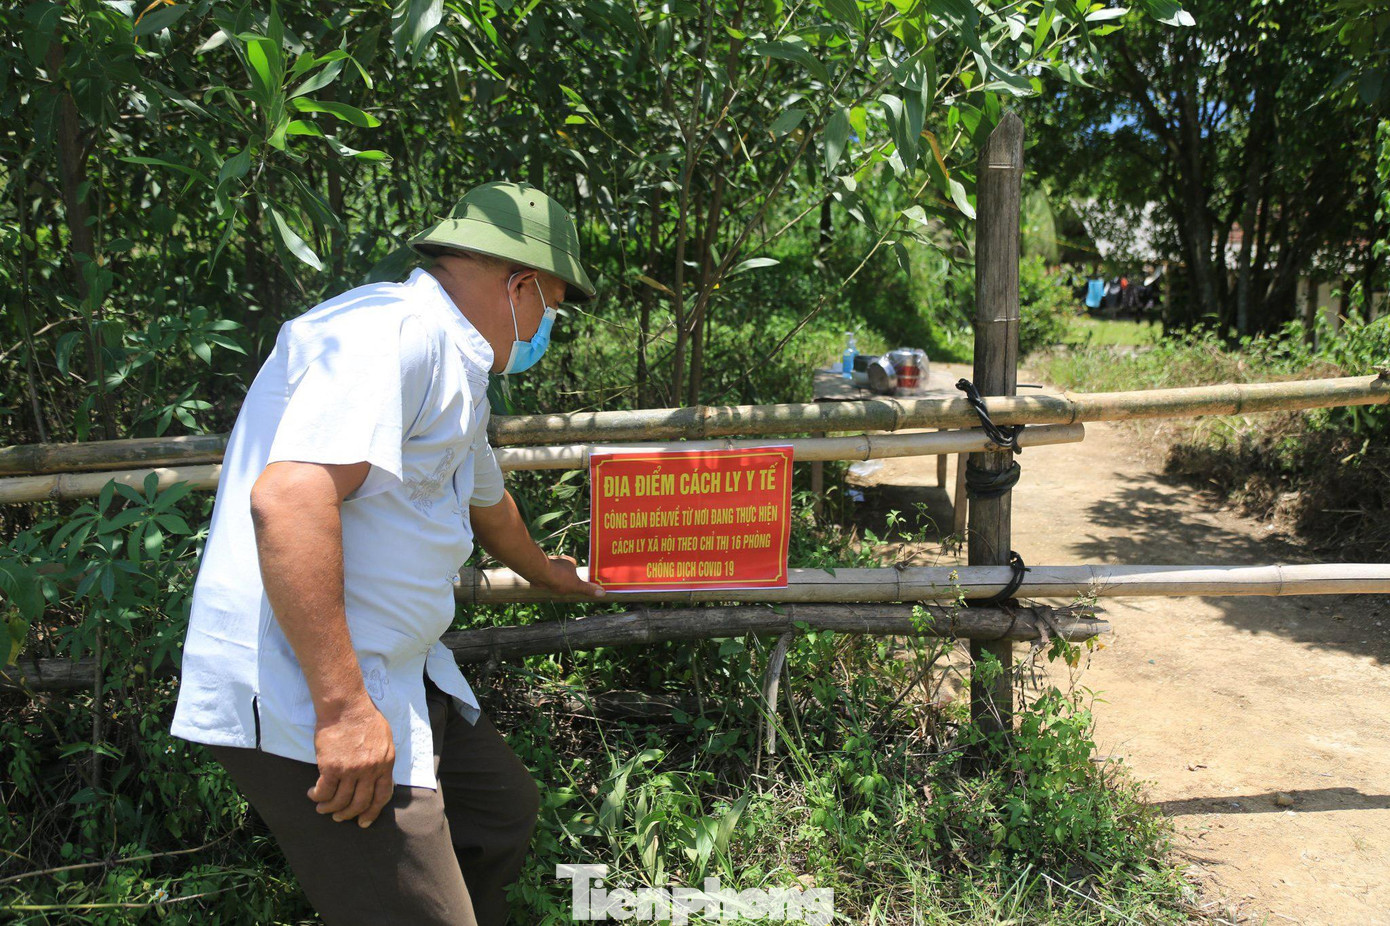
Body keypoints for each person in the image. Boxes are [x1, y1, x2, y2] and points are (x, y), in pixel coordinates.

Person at [170, 181, 606, 925]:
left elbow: (487, 503)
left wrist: (553, 574)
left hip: (395, 664)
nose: (545, 328)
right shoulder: (391, 335)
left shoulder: (457, 364)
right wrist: (341, 711)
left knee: (498, 811)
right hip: (308, 677)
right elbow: (290, 500)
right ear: (521, 285)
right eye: (552, 308)